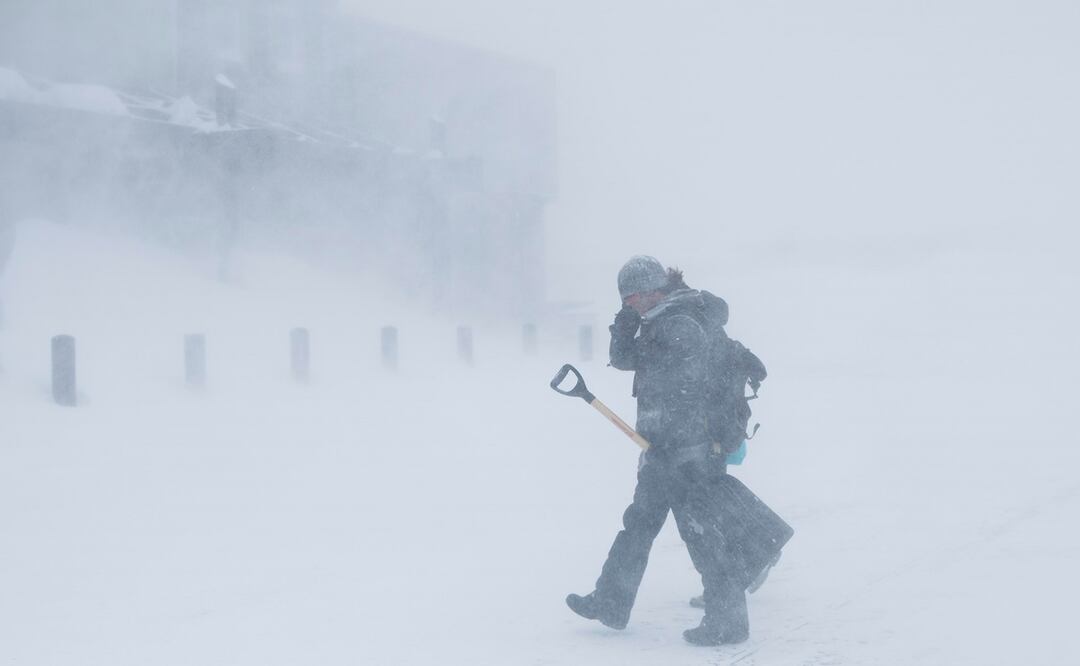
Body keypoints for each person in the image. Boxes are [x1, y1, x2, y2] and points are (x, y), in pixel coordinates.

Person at [566, 255, 751, 646]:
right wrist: (626, 319)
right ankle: (611, 601)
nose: (629, 303)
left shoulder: (680, 323)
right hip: (664, 447)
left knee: (702, 534)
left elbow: (687, 391)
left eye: (632, 297)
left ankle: (729, 621)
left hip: (687, 451)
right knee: (639, 524)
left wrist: (672, 447)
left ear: (653, 290)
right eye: (624, 298)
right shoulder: (657, 319)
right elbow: (624, 359)